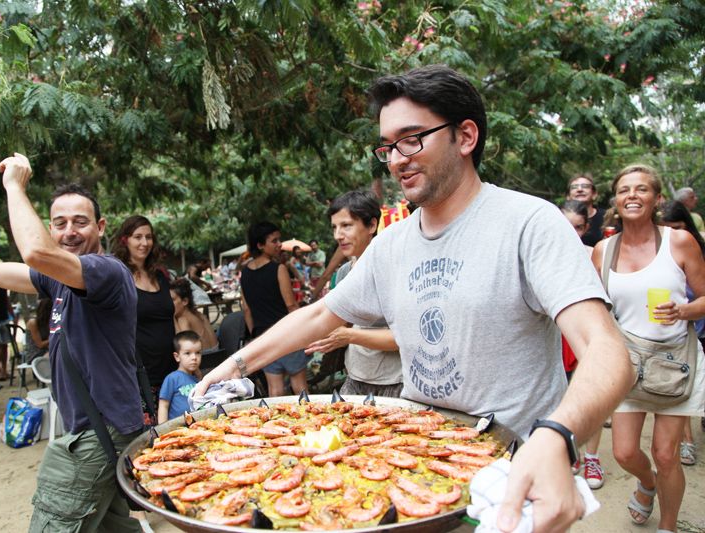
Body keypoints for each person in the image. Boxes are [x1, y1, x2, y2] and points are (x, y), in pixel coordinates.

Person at [195, 64, 633, 532]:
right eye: (387, 146)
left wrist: (557, 437)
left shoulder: (529, 224)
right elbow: (321, 313)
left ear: (466, 136)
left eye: (412, 139)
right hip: (412, 463)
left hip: (512, 477)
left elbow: (608, 352)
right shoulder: (392, 243)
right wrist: (234, 366)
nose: (396, 158)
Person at [0, 155, 144, 533]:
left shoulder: (107, 271)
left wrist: (15, 186)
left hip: (102, 431)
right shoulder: (57, 280)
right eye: (60, 223)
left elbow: (35, 251)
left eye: (80, 222)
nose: (69, 231)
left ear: (100, 227)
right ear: (50, 227)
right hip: (90, 428)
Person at [592, 164, 705, 531]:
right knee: (624, 451)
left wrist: (684, 310)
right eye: (625, 190)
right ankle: (647, 482)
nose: (632, 196)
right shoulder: (603, 251)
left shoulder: (679, 242)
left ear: (657, 199)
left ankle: (668, 526)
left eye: (642, 189)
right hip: (627, 363)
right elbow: (595, 310)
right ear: (616, 200)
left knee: (666, 454)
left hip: (674, 362)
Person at [305, 190, 403, 397]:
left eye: (346, 225)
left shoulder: (394, 270)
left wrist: (348, 336)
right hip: (355, 378)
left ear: (372, 225)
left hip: (394, 383)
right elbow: (341, 324)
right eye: (334, 227)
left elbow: (404, 339)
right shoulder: (343, 273)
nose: (337, 235)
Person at [559, 200, 606, 489]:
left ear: (586, 228)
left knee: (589, 392)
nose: (572, 233)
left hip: (582, 333)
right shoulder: (544, 255)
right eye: (567, 227)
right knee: (562, 397)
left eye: (578, 227)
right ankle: (569, 449)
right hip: (556, 338)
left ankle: (592, 457)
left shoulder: (593, 255)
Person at [112, 215, 176, 412]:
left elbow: (173, 317)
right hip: (139, 373)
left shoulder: (160, 275)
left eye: (148, 237)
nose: (144, 243)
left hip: (171, 368)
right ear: (125, 240)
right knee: (152, 437)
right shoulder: (118, 276)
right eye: (137, 237)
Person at [659, 200, 705, 467]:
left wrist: (685, 310)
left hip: (700, 325)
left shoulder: (696, 248)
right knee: (682, 388)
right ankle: (687, 440)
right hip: (678, 334)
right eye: (665, 228)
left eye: (676, 227)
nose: (672, 234)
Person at [241, 221, 308, 397]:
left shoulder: (245, 273)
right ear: (260, 245)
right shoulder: (278, 269)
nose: (279, 244)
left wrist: (256, 335)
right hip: (288, 335)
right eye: (274, 241)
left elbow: (246, 309)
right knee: (299, 385)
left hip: (264, 338)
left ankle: (274, 423)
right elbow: (291, 305)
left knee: (275, 390)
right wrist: (305, 331)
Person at [157, 330, 202, 424]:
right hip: (177, 428)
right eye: (187, 353)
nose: (194, 357)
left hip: (197, 426)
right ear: (177, 357)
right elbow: (163, 405)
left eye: (197, 352)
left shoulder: (199, 379)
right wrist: (162, 430)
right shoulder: (172, 378)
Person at [169, 278, 218, 350]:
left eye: (172, 300)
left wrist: (173, 319)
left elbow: (183, 348)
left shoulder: (183, 319)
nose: (168, 303)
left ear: (185, 301)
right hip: (218, 354)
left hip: (204, 359)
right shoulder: (199, 314)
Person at [567, 173, 606, 246]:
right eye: (574, 187)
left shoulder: (606, 217)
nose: (579, 189)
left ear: (594, 194)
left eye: (585, 186)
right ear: (568, 196)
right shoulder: (560, 218)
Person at [23, 298, 51, 363]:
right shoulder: (33, 323)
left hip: (47, 350)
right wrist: (56, 337)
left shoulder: (49, 322)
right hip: (35, 353)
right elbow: (40, 344)